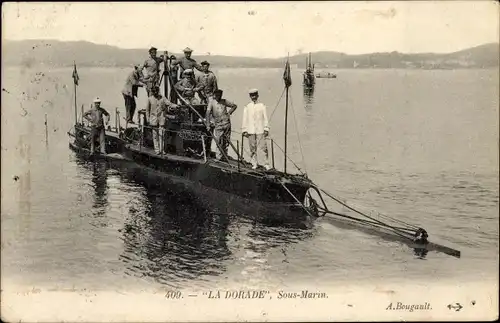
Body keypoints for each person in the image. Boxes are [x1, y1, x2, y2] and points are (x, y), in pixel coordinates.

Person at [242, 89, 271, 170]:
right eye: (252, 96)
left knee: (263, 147)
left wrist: (266, 128)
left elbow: (265, 118)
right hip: (251, 130)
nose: (253, 97)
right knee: (252, 148)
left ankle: (266, 164)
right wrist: (244, 130)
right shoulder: (247, 106)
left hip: (260, 130)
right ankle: (254, 163)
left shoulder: (262, 106)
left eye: (255, 95)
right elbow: (245, 119)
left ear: (257, 96)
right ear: (250, 97)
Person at [146, 86, 180, 154]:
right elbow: (147, 110)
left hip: (161, 119)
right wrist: (148, 119)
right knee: (155, 136)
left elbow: (169, 103)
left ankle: (162, 150)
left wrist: (176, 106)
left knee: (162, 135)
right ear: (152, 92)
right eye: (154, 91)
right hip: (153, 120)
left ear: (158, 91)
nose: (155, 92)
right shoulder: (150, 99)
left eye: (156, 91)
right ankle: (157, 150)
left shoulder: (162, 98)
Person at [205, 89, 237, 161]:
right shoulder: (211, 103)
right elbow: (207, 113)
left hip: (226, 123)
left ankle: (225, 156)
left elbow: (234, 106)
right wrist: (208, 124)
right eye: (217, 95)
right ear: (214, 95)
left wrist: (229, 113)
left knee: (226, 140)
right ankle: (218, 157)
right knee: (219, 140)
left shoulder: (224, 101)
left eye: (219, 94)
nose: (218, 96)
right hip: (218, 124)